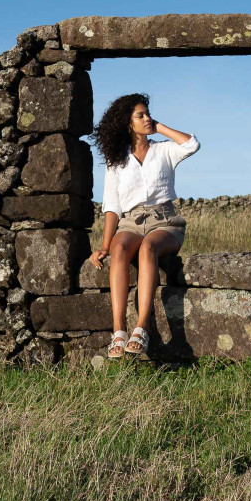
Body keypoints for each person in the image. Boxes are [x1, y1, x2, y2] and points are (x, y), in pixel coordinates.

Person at [87, 93, 200, 358]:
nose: (147, 118)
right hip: (130, 221)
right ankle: (118, 331)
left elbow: (192, 144)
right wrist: (104, 245)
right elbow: (112, 205)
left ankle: (142, 327)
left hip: (165, 222)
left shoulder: (164, 150)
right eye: (140, 116)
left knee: (148, 247)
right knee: (120, 249)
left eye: (147, 113)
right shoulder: (117, 160)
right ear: (128, 123)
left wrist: (158, 127)